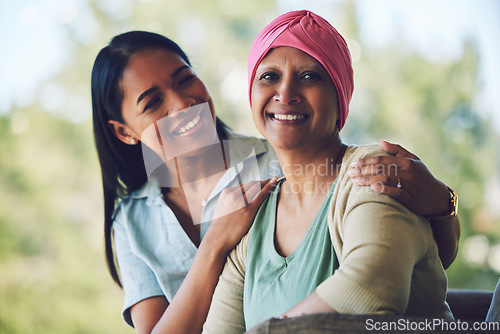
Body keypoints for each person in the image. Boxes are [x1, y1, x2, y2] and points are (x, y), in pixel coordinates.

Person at [91, 30, 459, 333]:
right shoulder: (131, 220)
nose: (183, 104)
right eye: (152, 102)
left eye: (185, 79)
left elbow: (412, 261)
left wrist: (445, 203)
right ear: (124, 131)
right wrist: (215, 241)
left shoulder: (288, 155)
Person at [202, 11, 455, 333]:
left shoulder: (375, 172)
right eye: (268, 77)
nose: (286, 93)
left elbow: (368, 294)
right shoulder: (255, 215)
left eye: (309, 76)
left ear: (340, 99)